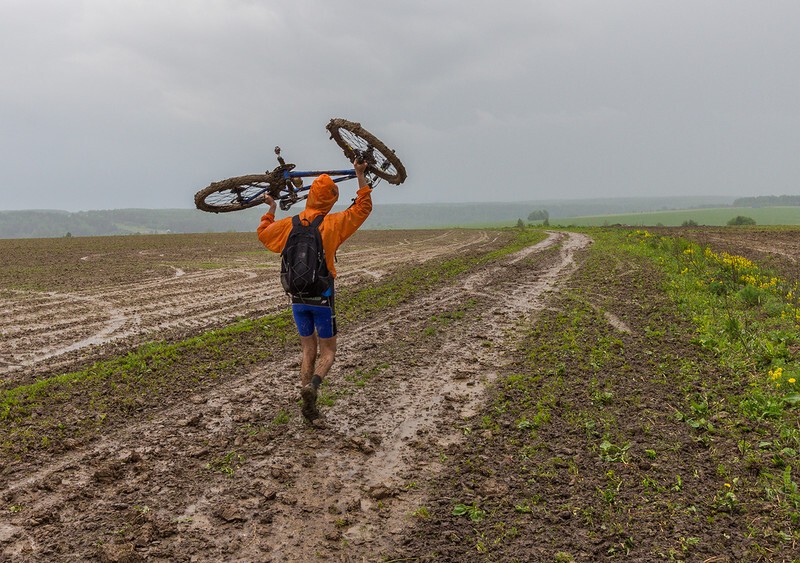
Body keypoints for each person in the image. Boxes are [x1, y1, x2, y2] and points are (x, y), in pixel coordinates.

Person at [257, 159, 372, 421]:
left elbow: (263, 233)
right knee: (328, 351)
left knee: (308, 349)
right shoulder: (333, 224)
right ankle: (313, 387)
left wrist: (271, 209)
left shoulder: (289, 225)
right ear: (330, 199)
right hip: (322, 297)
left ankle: (304, 394)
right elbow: (364, 207)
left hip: (297, 297)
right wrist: (359, 175)